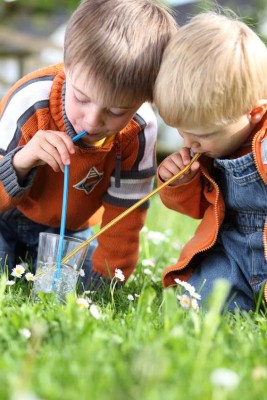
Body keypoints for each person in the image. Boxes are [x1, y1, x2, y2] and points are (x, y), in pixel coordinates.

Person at [0, 0, 177, 290]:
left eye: (117, 111)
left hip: (72, 232)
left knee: (86, 287)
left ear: (146, 98)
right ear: (67, 66)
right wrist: (22, 161)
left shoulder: (139, 129)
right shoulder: (29, 102)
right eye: (81, 98)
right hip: (6, 219)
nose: (93, 121)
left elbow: (126, 213)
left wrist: (108, 279)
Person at [154, 11, 267, 311]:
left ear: (253, 113)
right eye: (182, 131)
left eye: (201, 135)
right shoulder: (211, 148)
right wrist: (181, 183)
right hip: (231, 253)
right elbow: (199, 208)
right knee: (197, 302)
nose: (189, 143)